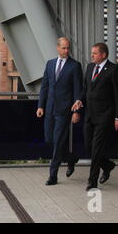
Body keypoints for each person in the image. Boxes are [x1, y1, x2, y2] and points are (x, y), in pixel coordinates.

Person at [72, 43, 118, 191]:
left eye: (95, 53)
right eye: (92, 53)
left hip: (105, 115)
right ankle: (107, 165)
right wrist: (79, 101)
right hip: (89, 115)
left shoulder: (114, 70)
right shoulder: (90, 68)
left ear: (103, 55)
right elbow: (85, 90)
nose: (92, 55)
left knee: (96, 148)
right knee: (88, 146)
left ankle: (92, 181)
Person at [37, 38, 83, 186]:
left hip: (64, 110)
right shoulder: (50, 64)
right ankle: (70, 158)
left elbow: (78, 90)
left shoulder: (75, 66)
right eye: (64, 48)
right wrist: (40, 106)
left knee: (57, 142)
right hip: (49, 108)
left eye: (68, 48)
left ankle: (53, 175)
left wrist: (76, 111)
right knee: (49, 139)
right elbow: (45, 86)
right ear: (57, 48)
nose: (66, 51)